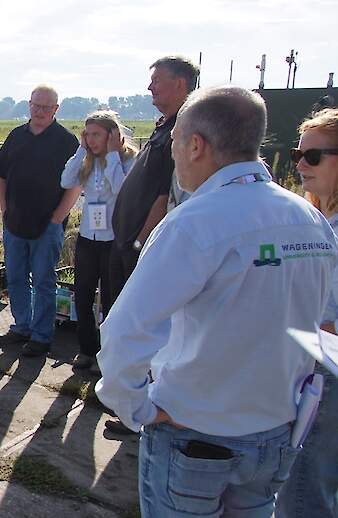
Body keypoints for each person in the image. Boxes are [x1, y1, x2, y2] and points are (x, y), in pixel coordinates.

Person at [96, 86, 337, 517]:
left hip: (195, 438)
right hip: (274, 435)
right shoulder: (309, 219)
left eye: (174, 145)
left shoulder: (194, 223)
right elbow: (320, 325)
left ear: (195, 145)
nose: (173, 157)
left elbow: (124, 331)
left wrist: (137, 408)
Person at [277, 107, 338, 518]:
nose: (299, 163)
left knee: (303, 492)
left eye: (313, 156)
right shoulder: (317, 218)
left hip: (325, 374)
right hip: (307, 368)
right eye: (299, 153)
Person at [0, 85, 81, 357]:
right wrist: (5, 210)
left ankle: (42, 336)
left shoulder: (66, 141)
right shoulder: (16, 136)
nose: (40, 111)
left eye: (47, 107)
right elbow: (1, 175)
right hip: (15, 222)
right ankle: (22, 326)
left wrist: (57, 219)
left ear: (56, 109)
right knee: (16, 277)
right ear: (29, 105)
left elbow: (74, 185)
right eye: (36, 106)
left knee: (43, 281)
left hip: (47, 226)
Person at [111, 56, 199, 300]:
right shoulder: (166, 126)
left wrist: (139, 244)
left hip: (141, 247)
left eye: (156, 81)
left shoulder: (182, 131)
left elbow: (166, 195)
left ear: (179, 84)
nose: (150, 88)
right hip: (129, 243)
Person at [60, 112, 136, 371]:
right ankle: (87, 350)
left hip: (113, 240)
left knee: (112, 299)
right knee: (82, 295)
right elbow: (66, 180)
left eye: (97, 135)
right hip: (88, 238)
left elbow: (121, 190)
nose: (91, 140)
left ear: (112, 135)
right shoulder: (87, 161)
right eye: (87, 134)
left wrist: (114, 154)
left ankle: (109, 354)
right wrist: (81, 150)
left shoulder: (128, 160)